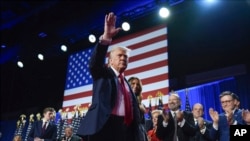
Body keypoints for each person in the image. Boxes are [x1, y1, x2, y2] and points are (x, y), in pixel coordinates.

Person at [76, 12, 146, 141]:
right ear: (110, 61)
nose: (123, 58)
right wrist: (106, 38)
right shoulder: (103, 74)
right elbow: (94, 63)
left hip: (125, 129)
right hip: (104, 127)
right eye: (119, 55)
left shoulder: (127, 84)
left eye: (126, 56)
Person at [128, 76, 148, 141]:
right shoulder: (124, 100)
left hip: (140, 134)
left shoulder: (142, 105)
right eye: (133, 83)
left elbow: (143, 123)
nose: (136, 86)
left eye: (138, 84)